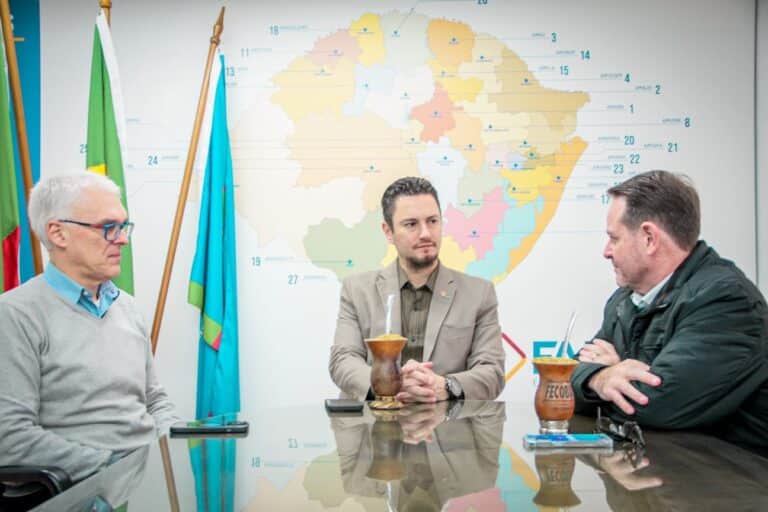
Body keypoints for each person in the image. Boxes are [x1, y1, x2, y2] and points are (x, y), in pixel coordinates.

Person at [572, 170, 768, 451]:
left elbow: (653, 408)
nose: (606, 251)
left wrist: (612, 369)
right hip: (661, 477)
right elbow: (567, 381)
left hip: (727, 483)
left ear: (650, 238)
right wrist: (600, 378)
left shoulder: (726, 300)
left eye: (614, 238)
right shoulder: (624, 301)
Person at [0, 172, 178, 482]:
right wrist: (115, 466)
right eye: (109, 228)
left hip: (143, 482)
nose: (122, 239)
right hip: (84, 490)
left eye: (123, 227)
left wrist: (175, 452)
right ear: (58, 233)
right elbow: (10, 438)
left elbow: (155, 401)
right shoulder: (15, 315)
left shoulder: (128, 307)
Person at [329, 176, 505, 402]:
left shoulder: (479, 294)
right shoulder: (357, 290)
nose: (425, 233)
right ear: (388, 231)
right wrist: (389, 386)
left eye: (432, 221)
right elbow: (343, 360)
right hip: (373, 428)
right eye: (411, 224)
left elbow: (492, 371)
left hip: (448, 430)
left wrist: (446, 386)